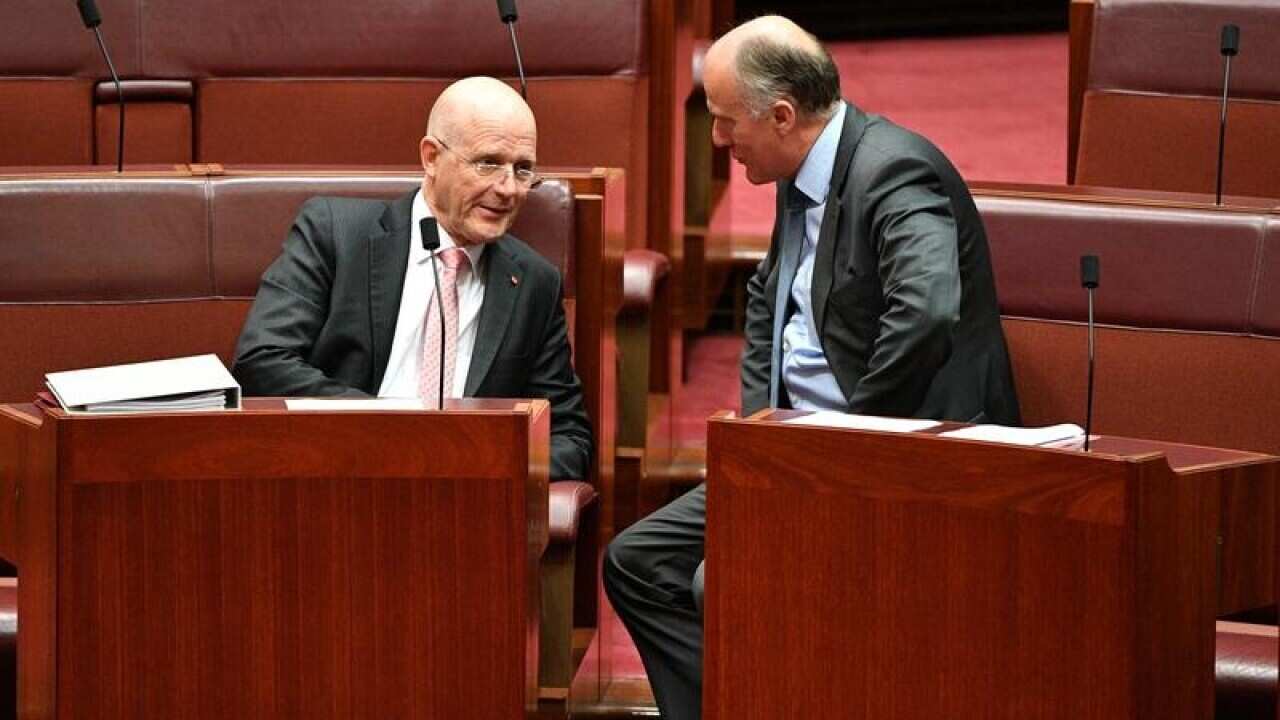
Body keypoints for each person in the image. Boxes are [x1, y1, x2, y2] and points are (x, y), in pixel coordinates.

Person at [603, 16, 1019, 720]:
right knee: (637, 562)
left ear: (784, 115)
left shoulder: (893, 169)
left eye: (727, 121)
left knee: (723, 582)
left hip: (899, 459)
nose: (717, 139)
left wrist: (845, 440)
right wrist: (756, 425)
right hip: (796, 451)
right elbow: (769, 296)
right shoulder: (801, 174)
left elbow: (926, 310)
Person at [233, 76, 592, 480]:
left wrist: (480, 461)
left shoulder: (534, 283)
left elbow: (569, 437)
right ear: (431, 157)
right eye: (488, 163)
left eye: (523, 169)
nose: (508, 189)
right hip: (333, 474)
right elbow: (263, 360)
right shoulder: (335, 233)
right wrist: (392, 434)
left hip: (463, 498)